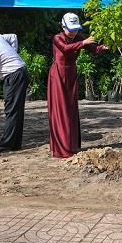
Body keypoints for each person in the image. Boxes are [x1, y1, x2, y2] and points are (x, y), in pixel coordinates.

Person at [47, 13, 107, 158]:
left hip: (72, 74)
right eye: (70, 29)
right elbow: (66, 49)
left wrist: (105, 46)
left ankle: (71, 145)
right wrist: (83, 43)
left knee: (71, 109)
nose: (73, 32)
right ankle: (62, 148)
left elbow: (94, 49)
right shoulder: (57, 38)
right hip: (58, 75)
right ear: (63, 26)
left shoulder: (79, 38)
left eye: (76, 29)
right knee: (61, 111)